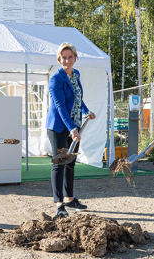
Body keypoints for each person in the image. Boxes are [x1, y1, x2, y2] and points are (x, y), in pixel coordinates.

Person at [46, 42, 96, 217]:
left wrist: (86, 111)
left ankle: (69, 199)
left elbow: (77, 98)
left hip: (74, 124)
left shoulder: (76, 75)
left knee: (71, 163)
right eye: (64, 58)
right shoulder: (56, 79)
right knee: (60, 163)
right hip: (59, 127)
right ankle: (59, 205)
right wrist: (72, 129)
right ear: (59, 59)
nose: (67, 60)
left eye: (70, 57)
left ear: (75, 58)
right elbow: (60, 106)